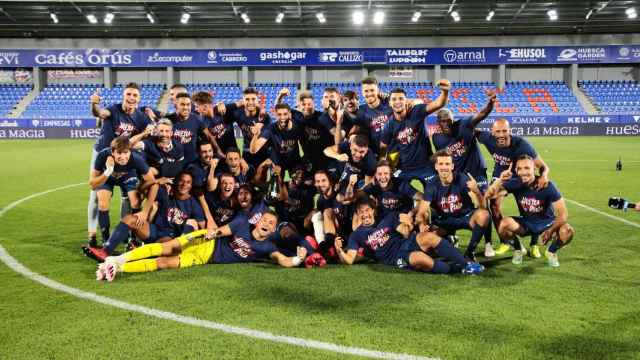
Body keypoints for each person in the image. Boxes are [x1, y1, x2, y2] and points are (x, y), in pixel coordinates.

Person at [96, 212, 308, 282]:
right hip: (205, 240)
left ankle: (119, 267)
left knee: (164, 263)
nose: (267, 224)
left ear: (272, 231)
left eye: (272, 224)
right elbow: (223, 230)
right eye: (266, 220)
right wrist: (211, 232)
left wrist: (299, 258)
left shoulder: (267, 247)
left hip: (206, 258)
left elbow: (283, 260)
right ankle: (117, 259)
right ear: (259, 220)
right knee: (166, 248)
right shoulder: (243, 223)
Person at [335, 196, 484, 275]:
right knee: (421, 259)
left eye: (367, 210)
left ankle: (467, 264)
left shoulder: (387, 218)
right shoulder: (356, 235)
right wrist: (339, 250)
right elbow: (349, 260)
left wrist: (407, 226)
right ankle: (458, 269)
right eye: (361, 212)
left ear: (372, 210)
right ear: (357, 214)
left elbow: (404, 231)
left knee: (428, 237)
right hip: (397, 257)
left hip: (406, 242)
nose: (365, 214)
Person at [87, 82, 152, 247]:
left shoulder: (141, 117)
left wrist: (150, 128)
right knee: (97, 197)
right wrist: (94, 104)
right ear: (123, 95)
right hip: (104, 155)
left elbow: (151, 132)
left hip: (124, 159)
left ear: (139, 98)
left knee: (129, 199)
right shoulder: (113, 109)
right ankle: (93, 235)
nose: (131, 98)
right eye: (128, 94)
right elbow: (99, 113)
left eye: (135, 95)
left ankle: (129, 235)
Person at [477, 118, 551, 255]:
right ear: (492, 132)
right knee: (493, 204)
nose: (501, 134)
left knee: (532, 207)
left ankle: (534, 244)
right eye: (497, 131)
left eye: (504, 131)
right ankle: (506, 241)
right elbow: (472, 129)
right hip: (501, 176)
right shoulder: (487, 138)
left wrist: (544, 176)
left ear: (510, 131)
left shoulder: (522, 145)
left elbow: (543, 166)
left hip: (521, 176)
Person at [485, 155, 575, 267]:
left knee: (568, 231)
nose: (523, 172)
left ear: (534, 169)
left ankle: (551, 251)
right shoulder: (515, 183)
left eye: (527, 168)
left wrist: (551, 231)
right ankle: (518, 250)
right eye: (519, 168)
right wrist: (500, 180)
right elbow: (489, 196)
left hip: (547, 224)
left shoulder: (547, 186)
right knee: (503, 225)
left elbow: (563, 214)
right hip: (527, 224)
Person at [99, 171, 205, 258]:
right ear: (176, 181)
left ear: (191, 185)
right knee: (129, 219)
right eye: (181, 181)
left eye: (188, 182)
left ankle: (137, 254)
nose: (184, 184)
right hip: (153, 230)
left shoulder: (193, 204)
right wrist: (156, 181)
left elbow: (202, 226)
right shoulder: (166, 192)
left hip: (169, 237)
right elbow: (140, 190)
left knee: (162, 245)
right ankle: (105, 252)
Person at [416, 150, 491, 262]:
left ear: (452, 166)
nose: (444, 167)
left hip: (464, 217)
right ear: (436, 166)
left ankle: (470, 253)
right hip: (444, 222)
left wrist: (477, 191)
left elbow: (483, 206)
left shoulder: (462, 179)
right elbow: (421, 212)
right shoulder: (431, 185)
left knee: (483, 215)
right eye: (441, 164)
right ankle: (449, 239)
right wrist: (422, 225)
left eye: (447, 164)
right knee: (424, 246)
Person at [379, 82, 450, 187]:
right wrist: (384, 163)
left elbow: (438, 104)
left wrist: (445, 91)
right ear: (389, 103)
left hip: (426, 166)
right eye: (394, 99)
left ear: (406, 101)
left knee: (436, 195)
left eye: (401, 99)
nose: (397, 102)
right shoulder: (389, 126)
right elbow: (383, 146)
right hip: (404, 168)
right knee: (396, 193)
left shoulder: (416, 112)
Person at [88, 136, 155, 244]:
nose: (123, 157)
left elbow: (151, 180)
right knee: (102, 204)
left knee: (135, 203)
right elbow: (92, 184)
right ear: (112, 152)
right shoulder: (103, 155)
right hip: (108, 178)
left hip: (128, 176)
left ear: (130, 151)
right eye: (119, 153)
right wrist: (108, 171)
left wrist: (140, 190)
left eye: (126, 153)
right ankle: (106, 240)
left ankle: (133, 239)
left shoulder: (136, 159)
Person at [216, 87, 271, 168]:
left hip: (260, 151)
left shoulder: (264, 117)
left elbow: (259, 146)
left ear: (257, 100)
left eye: (253, 99)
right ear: (243, 101)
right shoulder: (239, 113)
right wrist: (220, 104)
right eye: (247, 99)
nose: (250, 102)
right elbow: (222, 111)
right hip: (244, 150)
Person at [249, 103, 304, 175]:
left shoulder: (297, 126)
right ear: (275, 115)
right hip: (278, 165)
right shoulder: (270, 129)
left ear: (289, 114)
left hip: (295, 163)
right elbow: (253, 150)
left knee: (299, 179)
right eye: (279, 114)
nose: (282, 117)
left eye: (285, 114)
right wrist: (255, 135)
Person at [169, 93, 207, 165]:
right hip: (174, 162)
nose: (186, 107)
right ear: (176, 105)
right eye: (182, 104)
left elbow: (207, 136)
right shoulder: (168, 120)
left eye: (188, 104)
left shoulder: (196, 119)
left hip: (193, 162)